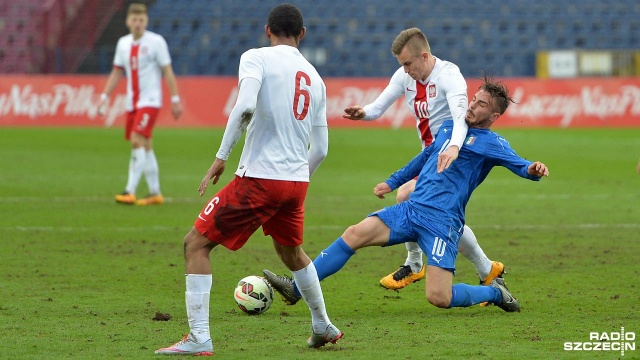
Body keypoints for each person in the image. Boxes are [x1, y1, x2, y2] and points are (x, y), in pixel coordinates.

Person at [264, 75, 549, 313]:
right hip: (411, 211)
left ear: (495, 115)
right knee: (353, 234)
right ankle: (296, 288)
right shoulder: (452, 126)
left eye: (481, 104)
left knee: (439, 297)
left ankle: (496, 293)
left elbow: (522, 167)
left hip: (442, 222)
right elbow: (426, 156)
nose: (472, 105)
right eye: (474, 99)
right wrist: (392, 182)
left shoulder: (493, 143)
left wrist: (534, 169)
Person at [155, 4, 342, 356]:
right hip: (295, 182)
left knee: (195, 244)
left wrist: (221, 156)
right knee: (291, 251)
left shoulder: (257, 57)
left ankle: (199, 338)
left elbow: (244, 108)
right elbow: (322, 148)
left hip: (259, 178)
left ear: (267, 30)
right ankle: (322, 325)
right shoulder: (316, 78)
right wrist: (297, 179)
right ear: (302, 34)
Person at [342, 27, 504, 292]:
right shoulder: (404, 76)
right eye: (401, 64)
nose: (405, 69)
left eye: (408, 63)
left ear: (424, 56)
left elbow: (462, 119)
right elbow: (378, 107)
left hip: (456, 156)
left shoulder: (450, 77)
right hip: (431, 157)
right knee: (439, 215)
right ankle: (487, 269)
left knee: (408, 196)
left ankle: (415, 264)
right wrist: (364, 112)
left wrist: (452, 148)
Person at [98, 2, 183, 206]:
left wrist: (175, 99)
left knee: (137, 139)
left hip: (150, 101)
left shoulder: (156, 42)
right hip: (132, 103)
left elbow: (167, 71)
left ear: (146, 21)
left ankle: (130, 190)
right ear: (128, 21)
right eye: (135, 20)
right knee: (145, 145)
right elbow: (117, 71)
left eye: (142, 20)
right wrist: (104, 96)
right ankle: (155, 193)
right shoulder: (123, 44)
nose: (138, 23)